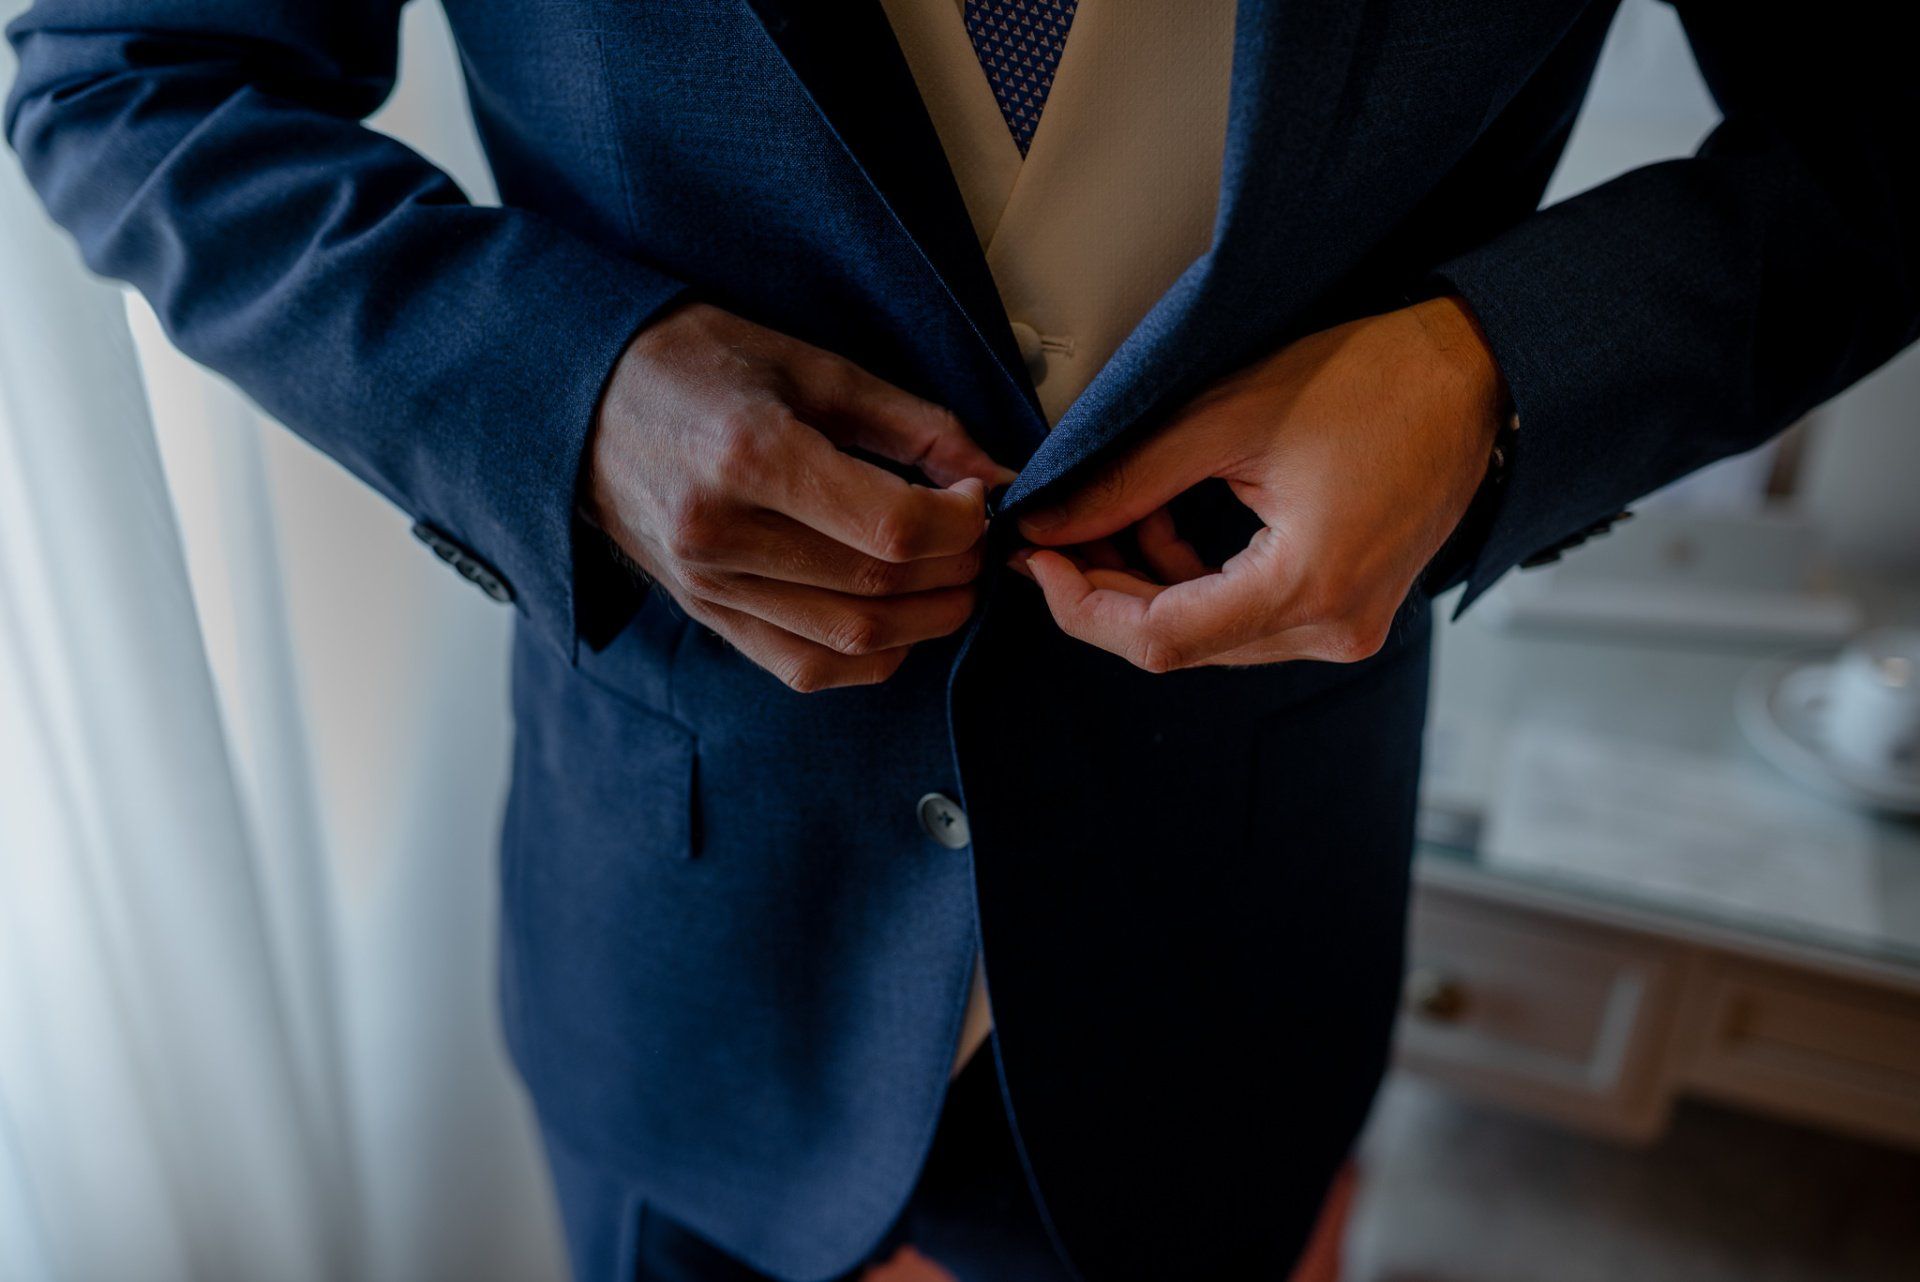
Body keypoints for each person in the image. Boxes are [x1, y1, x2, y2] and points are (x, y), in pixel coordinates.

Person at [8, 1, 1914, 1279]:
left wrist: (1493, 376)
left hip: (1241, 929)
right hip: (689, 941)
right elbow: (127, 67)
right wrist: (569, 397)